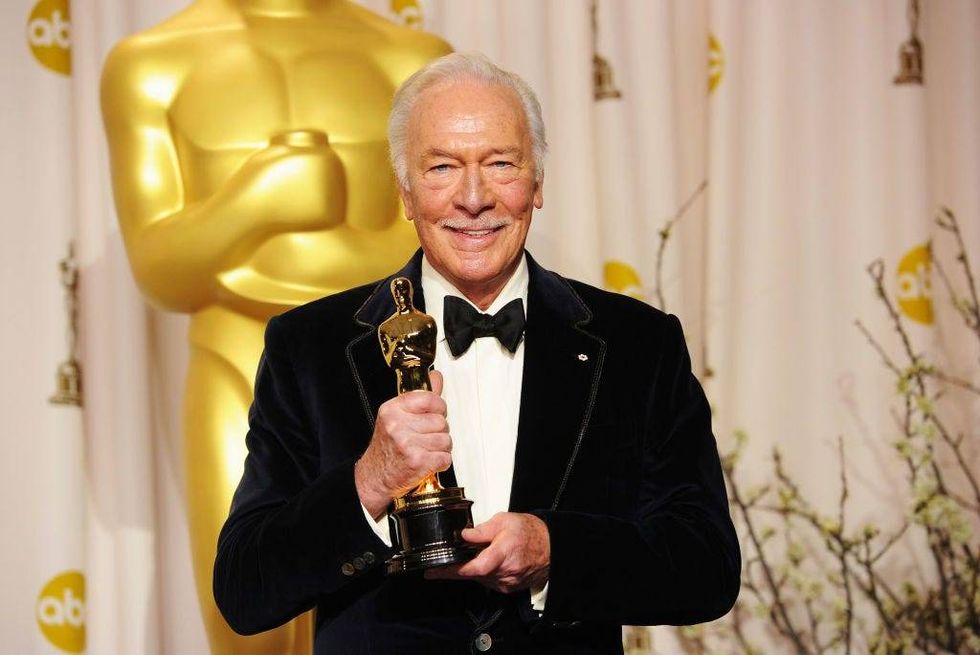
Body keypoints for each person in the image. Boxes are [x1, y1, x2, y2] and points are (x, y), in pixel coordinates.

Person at [214, 52, 740, 655]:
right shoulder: (309, 346)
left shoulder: (638, 344)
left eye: (500, 164)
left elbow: (707, 567)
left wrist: (555, 552)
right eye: (442, 166)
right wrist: (369, 481)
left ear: (537, 184)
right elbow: (244, 590)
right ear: (405, 192)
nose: (472, 198)